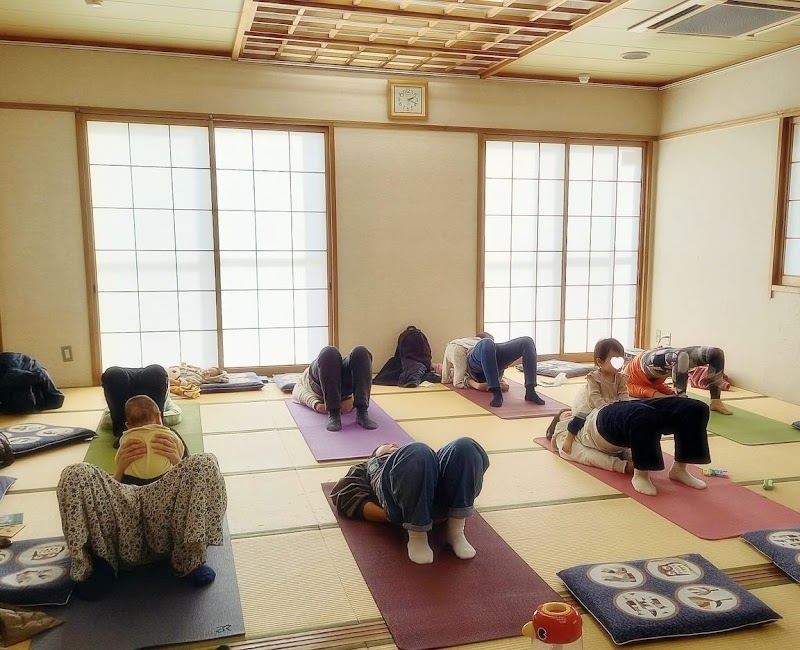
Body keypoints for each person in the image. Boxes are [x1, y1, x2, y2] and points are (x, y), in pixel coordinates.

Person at [57, 439, 226, 600]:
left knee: (206, 461)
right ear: (127, 424)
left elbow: (194, 484)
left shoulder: (172, 438)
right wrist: (119, 471)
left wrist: (178, 461)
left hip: (167, 515)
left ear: (159, 418)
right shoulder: (123, 444)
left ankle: (190, 561)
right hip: (122, 519)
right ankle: (102, 564)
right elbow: (101, 499)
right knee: (75, 473)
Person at [548, 338, 712, 496]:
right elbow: (585, 456)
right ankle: (641, 474)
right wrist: (623, 466)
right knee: (643, 416)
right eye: (565, 414)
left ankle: (680, 468)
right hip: (599, 419)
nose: (570, 412)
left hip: (620, 410)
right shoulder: (562, 434)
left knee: (694, 408)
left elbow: (623, 396)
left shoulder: (618, 378)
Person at [330, 438, 489, 565]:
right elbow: (343, 492)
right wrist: (393, 518)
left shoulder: (427, 457)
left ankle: (456, 531)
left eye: (395, 445)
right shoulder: (366, 466)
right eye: (386, 445)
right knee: (417, 451)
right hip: (401, 503)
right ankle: (417, 535)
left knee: (466, 446)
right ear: (375, 455)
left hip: (438, 496)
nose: (393, 444)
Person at [442, 333, 545, 407]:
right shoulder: (457, 346)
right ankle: (496, 393)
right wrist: (476, 385)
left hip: (494, 356)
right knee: (486, 343)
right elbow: (456, 380)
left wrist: (503, 381)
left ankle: (530, 390)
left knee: (527, 341)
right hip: (475, 364)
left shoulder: (489, 344)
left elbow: (500, 373)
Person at [626, 346, 733, 415]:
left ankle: (716, 401)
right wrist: (673, 396)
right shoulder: (625, 385)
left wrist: (672, 395)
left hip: (645, 360)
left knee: (716, 353)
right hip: (666, 363)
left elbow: (650, 391)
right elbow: (650, 391)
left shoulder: (624, 377)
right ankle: (681, 404)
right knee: (681, 356)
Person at [292, 345, 378, 432]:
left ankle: (362, 412)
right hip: (319, 384)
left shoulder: (335, 365)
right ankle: (334, 414)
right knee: (328, 353)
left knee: (361, 352)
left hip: (343, 388)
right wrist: (317, 405)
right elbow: (296, 392)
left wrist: (354, 402)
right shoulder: (306, 380)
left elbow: (360, 384)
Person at [115, 395, 187, 485]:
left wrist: (119, 470)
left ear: (128, 426)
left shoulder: (126, 438)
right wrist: (178, 461)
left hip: (133, 486)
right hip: (167, 482)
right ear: (159, 417)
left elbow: (118, 460)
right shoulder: (169, 435)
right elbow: (184, 460)